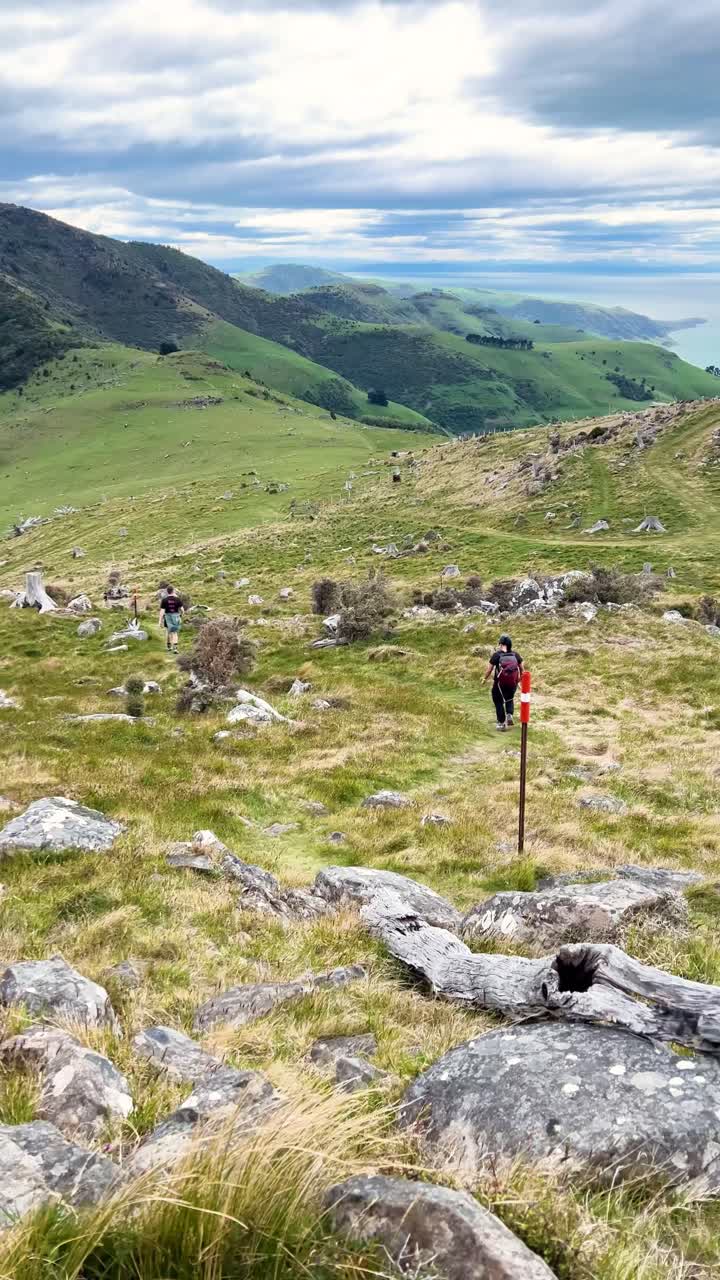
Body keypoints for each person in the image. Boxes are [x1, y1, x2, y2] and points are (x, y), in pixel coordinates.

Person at [483, 634, 523, 731]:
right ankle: (509, 714)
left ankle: (501, 723)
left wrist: (484, 678)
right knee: (509, 698)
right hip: (512, 683)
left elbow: (489, 670)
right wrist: (519, 680)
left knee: (498, 701)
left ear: (501, 644)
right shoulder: (515, 655)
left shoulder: (497, 655)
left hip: (499, 684)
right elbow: (522, 669)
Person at [159, 585, 184, 652]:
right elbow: (182, 610)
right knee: (175, 632)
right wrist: (180, 616)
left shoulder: (164, 600)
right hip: (176, 617)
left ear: (167, 592)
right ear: (173, 591)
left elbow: (162, 611)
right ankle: (175, 648)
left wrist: (160, 621)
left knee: (168, 631)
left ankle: (169, 646)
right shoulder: (178, 599)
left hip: (167, 617)